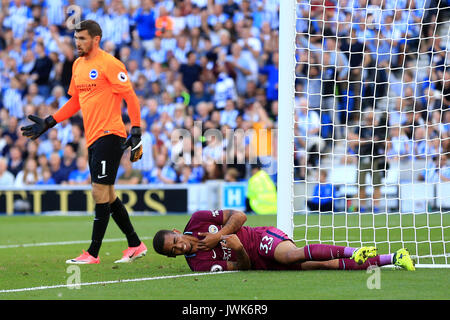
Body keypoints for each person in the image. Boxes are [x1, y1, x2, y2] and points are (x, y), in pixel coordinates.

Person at [20, 20, 146, 264]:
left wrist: (137, 130)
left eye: (82, 39)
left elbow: (130, 97)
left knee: (98, 191)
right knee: (107, 194)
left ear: (95, 39)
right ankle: (135, 244)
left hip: (110, 134)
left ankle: (93, 253)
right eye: (76, 38)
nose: (77, 43)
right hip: (93, 137)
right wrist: (49, 121)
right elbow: (76, 101)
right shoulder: (77, 65)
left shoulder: (110, 63)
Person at [152, 209, 415, 272]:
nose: (179, 246)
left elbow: (240, 216)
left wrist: (219, 236)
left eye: (175, 240)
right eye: (173, 250)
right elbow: (242, 268)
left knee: (291, 255)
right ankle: (393, 258)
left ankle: (355, 249)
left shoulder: (199, 220)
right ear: (172, 255)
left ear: (176, 231)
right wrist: (239, 251)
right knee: (326, 266)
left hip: (261, 238)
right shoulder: (198, 265)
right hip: (256, 261)